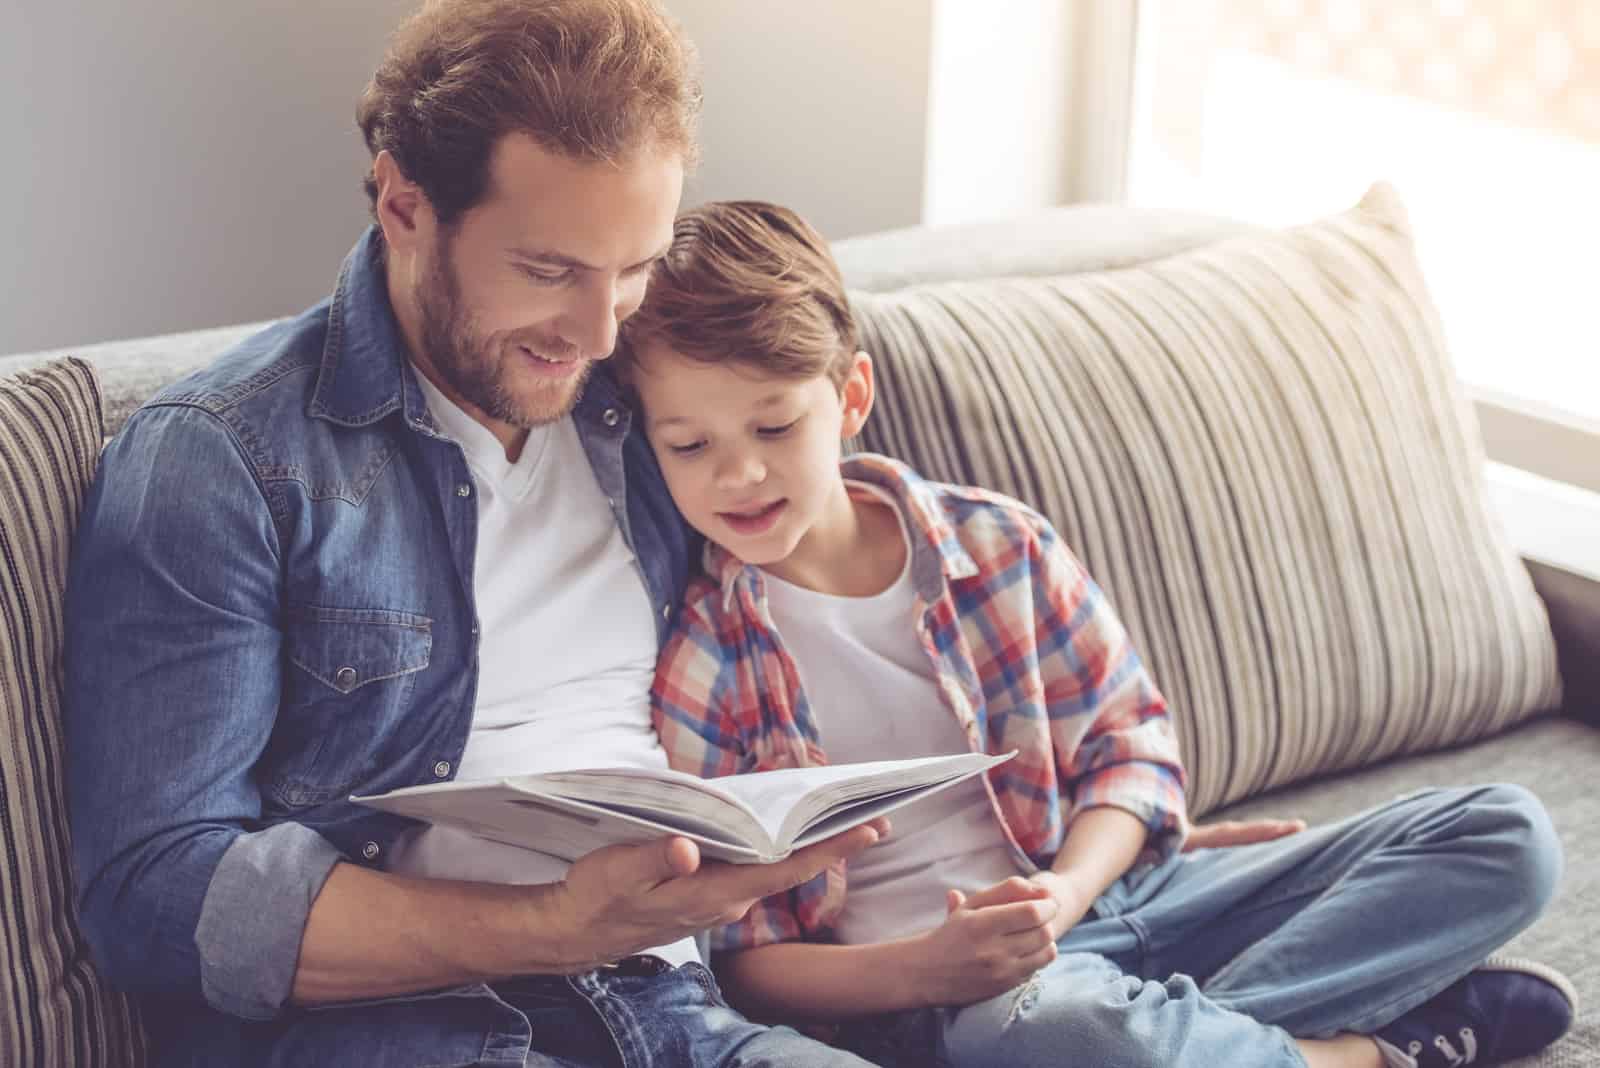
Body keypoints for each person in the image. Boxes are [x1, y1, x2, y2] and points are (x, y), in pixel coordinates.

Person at [62, 4, 895, 1065]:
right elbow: (157, 889)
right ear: (404, 204)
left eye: (632, 267)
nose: (599, 334)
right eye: (549, 270)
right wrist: (552, 926)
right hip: (404, 1031)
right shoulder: (223, 458)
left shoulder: (648, 401)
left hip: (674, 1008)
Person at [624, 200, 1578, 1068]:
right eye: (691, 446)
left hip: (1120, 898)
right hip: (958, 997)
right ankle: (1355, 1057)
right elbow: (741, 959)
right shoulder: (705, 668)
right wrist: (926, 970)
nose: (740, 475)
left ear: (852, 399)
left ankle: (1200, 1043)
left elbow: (1132, 755)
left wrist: (1072, 890)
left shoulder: (998, 546)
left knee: (1504, 833)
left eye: (775, 426)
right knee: (1061, 1030)